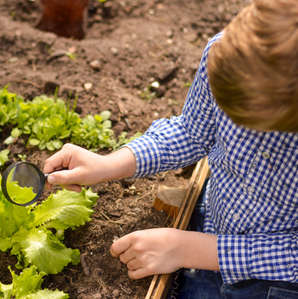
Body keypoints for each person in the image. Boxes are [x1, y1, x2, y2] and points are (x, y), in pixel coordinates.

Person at [43, 0, 298, 297]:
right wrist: (110, 164)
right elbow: (193, 131)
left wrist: (189, 248)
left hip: (278, 280)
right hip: (211, 228)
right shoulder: (226, 51)